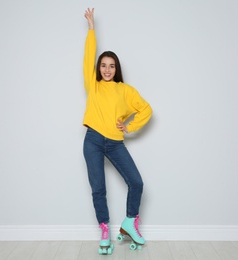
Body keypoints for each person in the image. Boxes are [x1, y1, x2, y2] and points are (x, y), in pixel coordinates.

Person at [82, 8, 152, 254]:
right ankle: (104, 229)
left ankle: (129, 222)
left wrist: (129, 126)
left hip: (114, 142)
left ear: (116, 68)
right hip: (92, 139)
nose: (107, 70)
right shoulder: (94, 85)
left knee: (136, 182)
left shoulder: (125, 90)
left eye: (111, 66)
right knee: (98, 188)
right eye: (103, 66)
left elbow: (146, 109)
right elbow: (89, 55)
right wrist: (92, 29)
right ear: (99, 68)